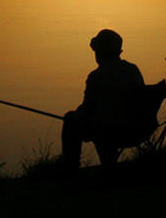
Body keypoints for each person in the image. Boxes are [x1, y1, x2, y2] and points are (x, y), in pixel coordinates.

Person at [62, 29, 152, 171]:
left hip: (111, 132)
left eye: (97, 51)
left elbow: (87, 109)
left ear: (101, 53)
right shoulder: (132, 70)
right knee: (102, 123)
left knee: (71, 119)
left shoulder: (96, 77)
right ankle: (109, 167)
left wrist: (77, 114)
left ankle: (70, 170)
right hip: (138, 130)